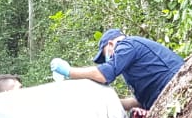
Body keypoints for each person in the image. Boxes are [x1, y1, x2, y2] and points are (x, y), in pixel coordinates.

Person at [49, 29, 184, 112]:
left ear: (111, 44)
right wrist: (109, 103)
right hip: (160, 97)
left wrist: (69, 71)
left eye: (105, 55)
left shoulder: (127, 45)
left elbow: (104, 74)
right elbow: (139, 101)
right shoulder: (130, 68)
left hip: (174, 83)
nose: (108, 60)